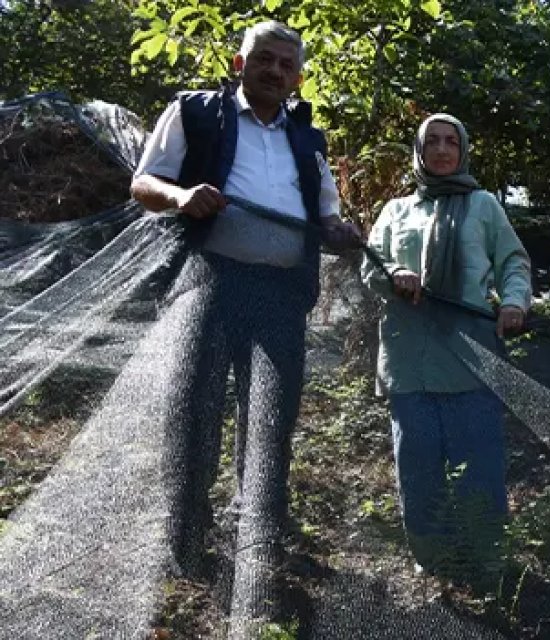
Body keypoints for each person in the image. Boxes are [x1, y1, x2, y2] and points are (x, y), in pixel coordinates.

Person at [130, 20, 361, 630]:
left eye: (287, 64)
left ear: (299, 76)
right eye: (265, 59)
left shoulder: (308, 138)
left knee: (271, 415)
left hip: (282, 293)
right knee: (195, 406)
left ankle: (257, 532)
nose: (275, 72)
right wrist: (180, 198)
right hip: (211, 279)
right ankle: (186, 540)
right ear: (240, 61)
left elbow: (328, 215)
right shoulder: (197, 112)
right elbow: (143, 182)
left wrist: (341, 234)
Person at [361, 114, 532, 581]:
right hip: (406, 359)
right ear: (418, 151)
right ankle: (432, 558)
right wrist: (393, 274)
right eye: (431, 141)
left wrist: (514, 302)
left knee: (478, 463)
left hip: (471, 357)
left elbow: (514, 262)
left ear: (462, 150)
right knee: (416, 465)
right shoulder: (397, 210)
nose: (441, 150)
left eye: (450, 141)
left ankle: (485, 557)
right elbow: (369, 265)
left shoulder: (483, 206)